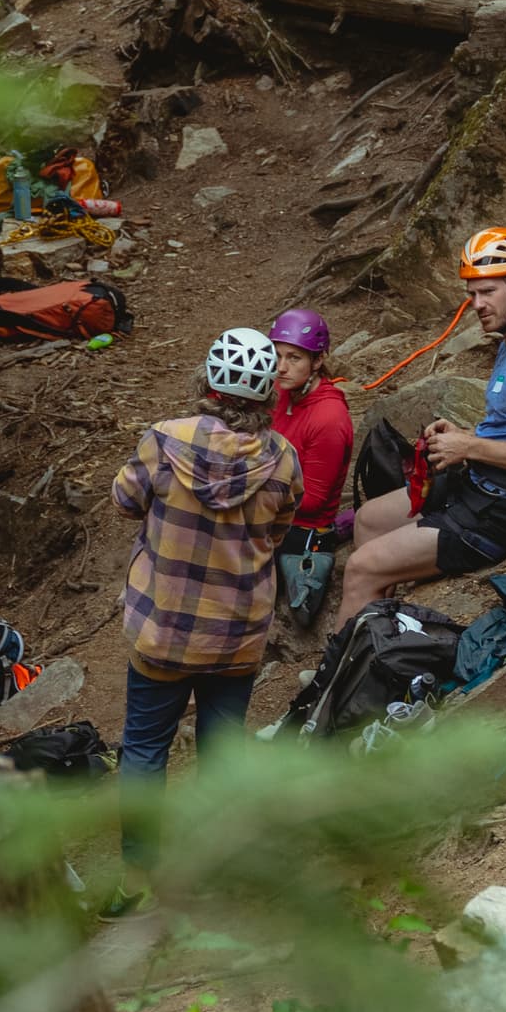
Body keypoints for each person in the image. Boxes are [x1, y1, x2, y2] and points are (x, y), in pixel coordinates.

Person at [328, 228, 506, 633]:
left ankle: (341, 675)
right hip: (482, 485)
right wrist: (464, 436)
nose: (476, 305)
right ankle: (379, 627)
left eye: (486, 293)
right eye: (471, 295)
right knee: (369, 520)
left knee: (360, 566)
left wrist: (469, 445)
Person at [111, 327, 302, 802]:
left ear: (207, 381)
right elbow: (278, 531)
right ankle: (214, 863)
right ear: (266, 394)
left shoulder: (164, 440)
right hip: (237, 637)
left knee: (144, 749)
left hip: (164, 629)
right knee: (220, 756)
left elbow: (124, 500)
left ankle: (140, 871)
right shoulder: (283, 458)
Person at [264, 307, 357, 632]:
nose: (281, 367)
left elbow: (313, 499)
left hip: (298, 527)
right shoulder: (280, 393)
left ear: (317, 361)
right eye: (276, 356)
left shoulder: (328, 418)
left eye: (294, 358)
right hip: (273, 511)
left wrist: (251, 493)